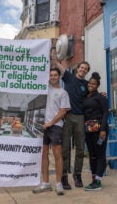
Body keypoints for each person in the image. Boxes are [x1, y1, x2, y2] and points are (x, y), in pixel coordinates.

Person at [52, 52, 90, 189]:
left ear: (87, 72)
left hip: (80, 118)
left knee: (80, 149)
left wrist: (102, 94)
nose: (83, 70)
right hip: (67, 117)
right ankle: (64, 177)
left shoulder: (87, 85)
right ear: (77, 68)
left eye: (85, 69)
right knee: (65, 149)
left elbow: (93, 95)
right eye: (81, 67)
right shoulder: (68, 78)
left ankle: (77, 175)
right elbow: (57, 64)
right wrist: (54, 50)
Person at [32, 67, 70, 196]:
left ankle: (59, 184)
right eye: (51, 75)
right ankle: (46, 183)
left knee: (57, 155)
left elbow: (63, 111)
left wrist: (51, 123)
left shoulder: (63, 92)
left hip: (55, 127)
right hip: (43, 127)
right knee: (43, 154)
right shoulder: (45, 88)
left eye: (55, 75)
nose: (53, 77)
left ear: (59, 76)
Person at [83, 72, 109, 191]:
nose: (91, 85)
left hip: (99, 130)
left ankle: (98, 181)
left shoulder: (101, 97)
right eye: (90, 83)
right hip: (89, 131)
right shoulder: (86, 96)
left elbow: (105, 113)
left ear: (97, 86)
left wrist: (103, 130)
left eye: (94, 84)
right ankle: (94, 178)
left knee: (100, 154)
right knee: (92, 155)